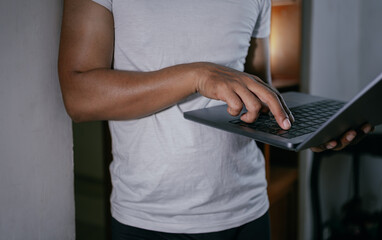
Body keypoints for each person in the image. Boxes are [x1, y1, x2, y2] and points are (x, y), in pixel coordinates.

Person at [58, 0, 373, 239]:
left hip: (248, 210)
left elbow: (258, 90)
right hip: (152, 217)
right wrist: (196, 75)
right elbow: (79, 96)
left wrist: (303, 130)